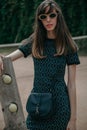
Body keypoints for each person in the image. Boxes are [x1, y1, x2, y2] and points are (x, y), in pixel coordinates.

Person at [0, 0, 80, 130]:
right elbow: (8, 59)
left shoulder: (68, 44)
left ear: (58, 16)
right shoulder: (35, 41)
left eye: (52, 15)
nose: (48, 20)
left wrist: (73, 119)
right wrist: (1, 59)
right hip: (37, 105)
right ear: (40, 20)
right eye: (43, 17)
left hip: (60, 107)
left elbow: (71, 85)